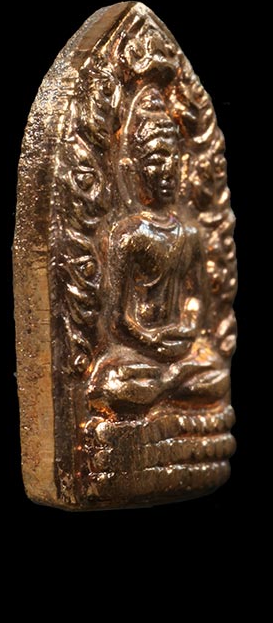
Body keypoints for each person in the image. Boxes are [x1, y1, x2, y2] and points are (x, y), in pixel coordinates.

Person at [86, 88, 228, 416]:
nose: (165, 171)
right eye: (155, 161)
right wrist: (150, 340)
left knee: (215, 373)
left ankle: (165, 386)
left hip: (179, 351)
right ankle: (169, 386)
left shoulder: (190, 234)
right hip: (140, 352)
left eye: (172, 160)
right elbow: (116, 320)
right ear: (133, 170)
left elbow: (196, 299)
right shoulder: (129, 235)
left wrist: (188, 327)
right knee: (110, 386)